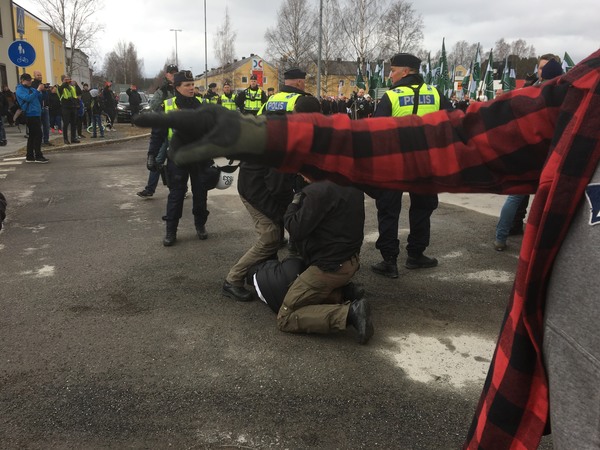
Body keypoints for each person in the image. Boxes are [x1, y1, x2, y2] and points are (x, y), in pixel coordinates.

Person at [136, 49, 600, 450]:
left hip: (339, 234)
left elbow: (303, 225)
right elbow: (454, 140)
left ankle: (385, 266)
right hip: (565, 405)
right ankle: (399, 260)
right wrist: (268, 138)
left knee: (310, 261)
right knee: (405, 220)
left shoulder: (325, 171)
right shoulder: (589, 90)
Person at [222, 68, 310, 301]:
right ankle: (233, 279)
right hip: (254, 187)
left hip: (260, 182)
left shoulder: (273, 103)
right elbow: (276, 186)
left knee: (277, 228)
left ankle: (260, 273)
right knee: (271, 235)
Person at [366, 53, 452, 278]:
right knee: (422, 208)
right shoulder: (435, 93)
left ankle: (389, 261)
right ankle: (415, 254)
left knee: (388, 210)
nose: (390, 75)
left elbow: (376, 132)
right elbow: (453, 123)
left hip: (394, 163)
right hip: (425, 163)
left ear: (405, 71)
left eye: (392, 71)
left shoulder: (392, 96)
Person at [278, 177, 372, 344]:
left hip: (330, 268)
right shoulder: (351, 183)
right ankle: (344, 293)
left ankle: (350, 313)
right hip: (350, 260)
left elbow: (295, 228)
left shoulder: (318, 192)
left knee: (286, 317)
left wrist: (294, 203)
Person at [494, 55, 564, 251]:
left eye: (544, 68)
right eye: (539, 67)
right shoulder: (544, 90)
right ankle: (502, 236)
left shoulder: (536, 90)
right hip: (535, 150)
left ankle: (516, 236)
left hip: (544, 151)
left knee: (543, 196)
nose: (540, 71)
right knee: (519, 195)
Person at [145, 70, 216, 246]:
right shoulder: (167, 106)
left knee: (201, 195)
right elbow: (157, 134)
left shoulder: (202, 104)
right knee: (176, 196)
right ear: (177, 87)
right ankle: (171, 231)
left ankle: (200, 226)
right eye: (187, 85)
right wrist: (152, 155)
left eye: (193, 84)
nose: (192, 88)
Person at [137, 64, 179, 199]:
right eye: (171, 73)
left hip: (178, 132)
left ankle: (180, 189)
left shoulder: (181, 89)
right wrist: (163, 106)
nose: (173, 75)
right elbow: (154, 107)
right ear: (166, 75)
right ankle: (150, 189)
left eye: (175, 73)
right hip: (164, 132)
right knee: (157, 161)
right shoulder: (162, 91)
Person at [15, 73, 49, 163]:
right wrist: (37, 90)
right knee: (38, 134)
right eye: (28, 80)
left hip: (36, 113)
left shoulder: (31, 89)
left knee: (32, 136)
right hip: (30, 114)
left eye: (30, 80)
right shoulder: (19, 90)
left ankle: (29, 156)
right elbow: (28, 98)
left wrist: (44, 90)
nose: (30, 82)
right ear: (22, 80)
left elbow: (40, 97)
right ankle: (38, 156)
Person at [57, 75, 80, 144]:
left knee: (74, 123)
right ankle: (65, 139)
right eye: (66, 79)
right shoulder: (60, 87)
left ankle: (73, 138)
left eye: (68, 79)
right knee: (66, 123)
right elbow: (60, 91)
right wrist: (65, 83)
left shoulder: (72, 87)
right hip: (65, 107)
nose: (68, 81)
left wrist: (76, 104)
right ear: (62, 80)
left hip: (73, 107)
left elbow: (76, 95)